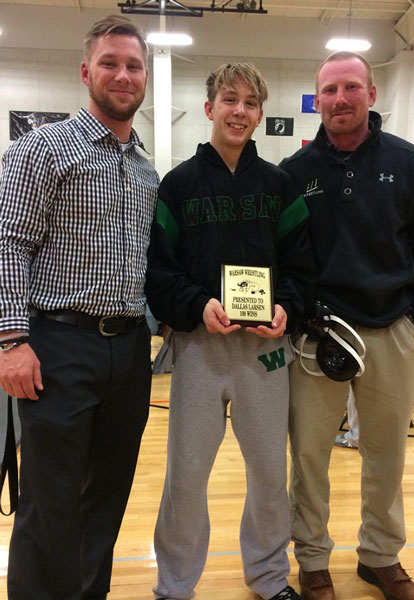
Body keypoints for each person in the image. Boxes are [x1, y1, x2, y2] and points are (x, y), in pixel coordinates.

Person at [280, 51, 414, 600]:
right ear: (317, 99)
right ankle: (312, 560)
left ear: (371, 95)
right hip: (318, 337)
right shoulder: (295, 172)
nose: (339, 99)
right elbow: (283, 257)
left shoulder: (410, 160)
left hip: (391, 332)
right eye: (328, 90)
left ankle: (380, 556)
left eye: (351, 87)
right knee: (309, 454)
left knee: (386, 452)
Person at [0, 15, 159, 600]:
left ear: (145, 78)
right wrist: (12, 341)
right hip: (57, 343)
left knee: (108, 491)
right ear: (86, 71)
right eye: (111, 63)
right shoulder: (42, 148)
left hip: (129, 349)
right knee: (51, 496)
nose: (123, 75)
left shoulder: (146, 168)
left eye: (134, 65)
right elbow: (7, 242)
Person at [145, 63, 316, 600]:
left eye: (249, 102)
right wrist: (198, 306)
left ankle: (268, 576)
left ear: (261, 114)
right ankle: (174, 586)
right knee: (187, 477)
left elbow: (302, 268)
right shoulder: (178, 185)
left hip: (266, 353)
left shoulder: (280, 185)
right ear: (210, 108)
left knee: (269, 473)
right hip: (199, 348)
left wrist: (287, 307)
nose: (239, 111)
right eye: (229, 99)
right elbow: (159, 273)